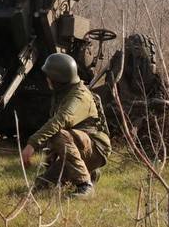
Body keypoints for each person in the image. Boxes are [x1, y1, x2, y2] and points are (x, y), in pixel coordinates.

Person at [20, 53, 111, 198]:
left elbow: (59, 122)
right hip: (82, 146)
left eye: (49, 75)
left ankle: (84, 185)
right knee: (42, 185)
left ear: (57, 79)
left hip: (96, 147)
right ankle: (90, 173)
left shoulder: (78, 96)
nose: (46, 78)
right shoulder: (62, 93)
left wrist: (32, 144)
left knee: (57, 133)